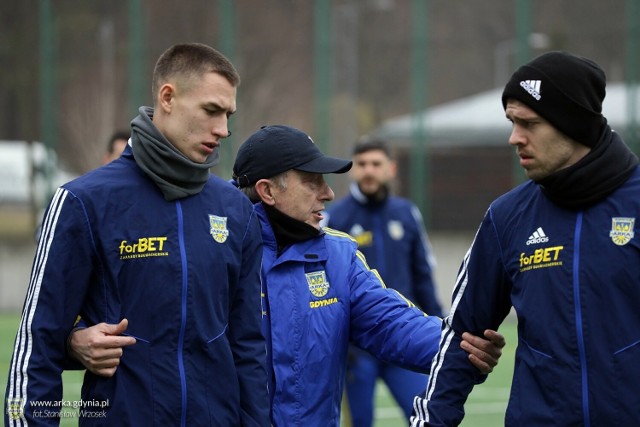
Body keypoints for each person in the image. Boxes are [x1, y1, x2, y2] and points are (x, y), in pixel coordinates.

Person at [68, 124, 506, 426]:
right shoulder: (213, 254)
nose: (329, 193)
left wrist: (460, 344)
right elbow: (138, 317)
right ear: (268, 191)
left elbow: (395, 323)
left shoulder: (338, 256)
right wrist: (76, 339)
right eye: (312, 179)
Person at [5, 43, 270, 426]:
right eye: (211, 110)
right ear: (167, 97)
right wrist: (74, 340)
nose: (223, 130)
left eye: (228, 114)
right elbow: (38, 341)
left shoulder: (235, 209)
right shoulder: (83, 201)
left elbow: (248, 347)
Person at [410, 51, 640, 427]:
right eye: (511, 122)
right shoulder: (506, 217)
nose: (514, 138)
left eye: (528, 123)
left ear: (574, 125)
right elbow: (461, 338)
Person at [324, 137, 444, 426]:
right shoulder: (334, 217)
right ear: (353, 170)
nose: (368, 171)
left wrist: (440, 329)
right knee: (360, 422)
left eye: (376, 164)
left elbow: (423, 275)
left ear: (390, 168)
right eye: (362, 164)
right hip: (356, 350)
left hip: (404, 336)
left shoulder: (406, 214)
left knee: (426, 417)